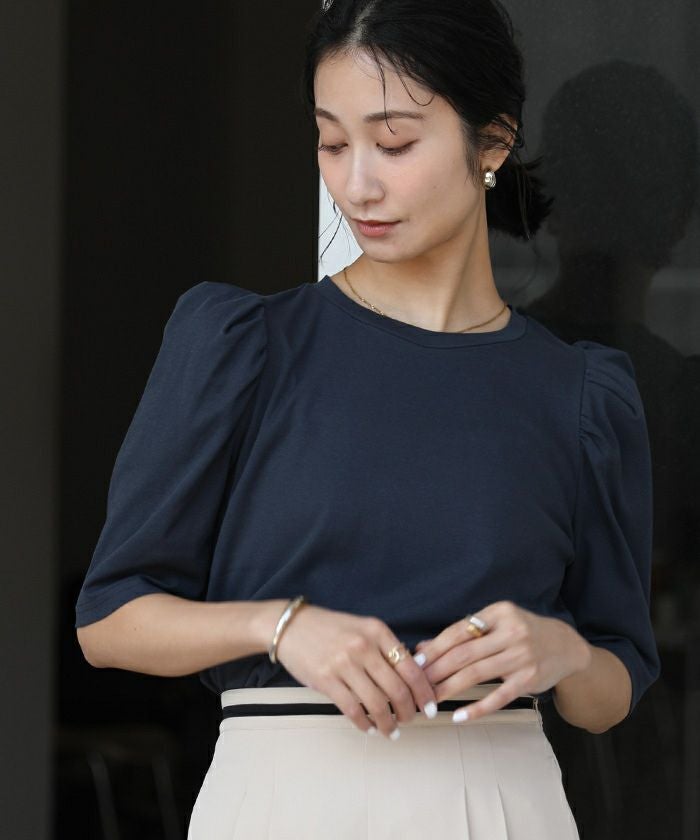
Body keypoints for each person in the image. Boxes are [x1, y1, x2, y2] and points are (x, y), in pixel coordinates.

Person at [74, 0, 661, 837]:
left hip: (501, 803)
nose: (356, 185)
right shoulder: (245, 348)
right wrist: (281, 626)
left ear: (492, 143)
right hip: (281, 805)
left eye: (394, 143)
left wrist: (560, 650)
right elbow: (109, 620)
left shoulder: (579, 395)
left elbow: (611, 689)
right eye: (332, 142)